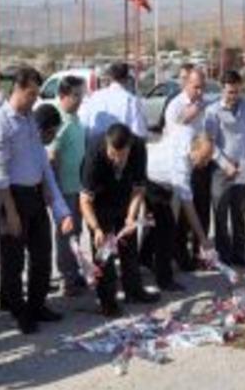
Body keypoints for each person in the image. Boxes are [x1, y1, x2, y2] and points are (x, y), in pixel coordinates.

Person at [0, 66, 73, 334]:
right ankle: (19, 311)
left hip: (34, 194)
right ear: (17, 89)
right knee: (13, 261)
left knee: (41, 255)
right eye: (31, 94)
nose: (35, 99)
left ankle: (37, 305)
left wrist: (52, 196)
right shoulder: (0, 122)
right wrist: (10, 211)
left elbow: (40, 160)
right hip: (11, 197)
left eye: (37, 94)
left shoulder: (29, 120)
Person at [80, 123, 160, 318]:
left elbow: (139, 189)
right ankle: (107, 301)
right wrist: (96, 228)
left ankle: (134, 290)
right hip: (100, 201)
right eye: (112, 154)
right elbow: (85, 201)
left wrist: (131, 217)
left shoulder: (139, 148)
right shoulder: (95, 154)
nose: (116, 159)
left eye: (121, 155)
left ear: (130, 147)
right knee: (104, 252)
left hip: (125, 197)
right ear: (107, 145)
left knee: (129, 245)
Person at [142, 132, 215, 291]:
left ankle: (144, 257)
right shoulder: (180, 168)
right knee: (167, 228)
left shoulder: (186, 138)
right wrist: (203, 239)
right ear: (193, 150)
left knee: (158, 223)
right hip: (150, 179)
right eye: (204, 158)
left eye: (209, 158)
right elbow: (189, 207)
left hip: (160, 179)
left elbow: (175, 127)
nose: (206, 162)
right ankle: (164, 279)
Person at [205, 69, 245, 267]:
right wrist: (226, 165)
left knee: (240, 214)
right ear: (222, 89)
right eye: (230, 92)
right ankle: (224, 256)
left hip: (242, 168)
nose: (234, 96)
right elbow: (212, 144)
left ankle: (239, 254)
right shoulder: (213, 111)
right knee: (220, 214)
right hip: (221, 170)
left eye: (237, 92)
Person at [162, 66, 212, 269]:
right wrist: (187, 116)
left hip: (201, 165)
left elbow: (210, 132)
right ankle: (180, 257)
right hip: (180, 166)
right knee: (183, 214)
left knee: (202, 209)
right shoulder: (174, 106)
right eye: (196, 87)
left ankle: (201, 253)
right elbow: (172, 137)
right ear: (186, 84)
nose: (200, 92)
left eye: (203, 87)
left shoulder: (206, 104)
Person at [47, 76, 89, 296]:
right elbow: (51, 156)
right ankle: (68, 279)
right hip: (65, 189)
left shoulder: (74, 118)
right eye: (76, 95)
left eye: (82, 95)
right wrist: (56, 194)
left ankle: (74, 272)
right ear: (62, 95)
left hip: (78, 187)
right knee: (66, 234)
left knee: (76, 232)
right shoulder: (60, 121)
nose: (80, 99)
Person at [79, 61, 148, 143]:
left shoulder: (95, 97)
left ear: (110, 77)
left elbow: (84, 124)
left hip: (95, 147)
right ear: (127, 78)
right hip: (119, 148)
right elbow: (139, 133)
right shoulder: (131, 101)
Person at [157, 62, 196, 133]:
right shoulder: (173, 98)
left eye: (187, 78)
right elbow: (162, 123)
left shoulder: (203, 101)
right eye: (182, 78)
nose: (183, 81)